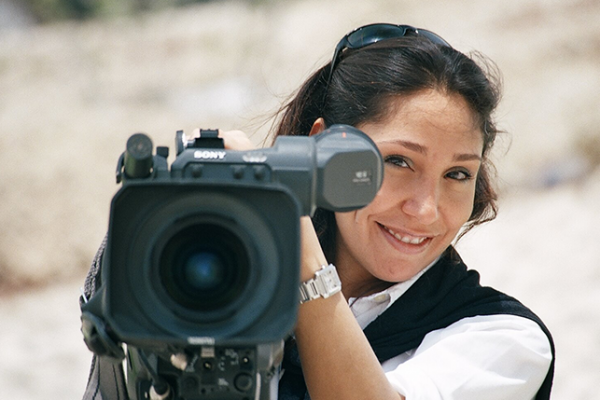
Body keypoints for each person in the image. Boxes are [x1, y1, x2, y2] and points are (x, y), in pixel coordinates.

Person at [82, 23, 554, 400]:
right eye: (399, 162)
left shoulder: (506, 339)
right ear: (323, 148)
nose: (425, 209)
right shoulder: (223, 282)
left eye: (457, 175)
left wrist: (288, 228)